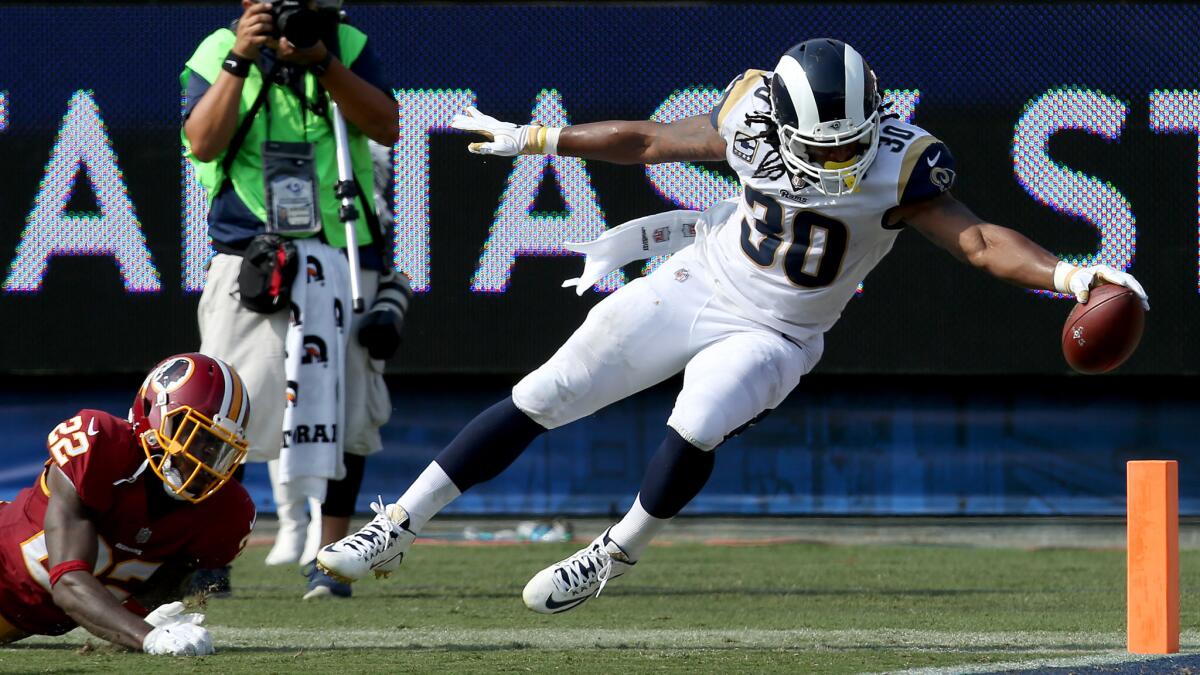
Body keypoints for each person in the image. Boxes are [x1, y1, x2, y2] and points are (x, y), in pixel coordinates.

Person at [317, 38, 1149, 613]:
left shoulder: (902, 160)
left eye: (849, 146)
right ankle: (399, 525)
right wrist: (540, 137)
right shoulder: (750, 113)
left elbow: (976, 241)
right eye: (820, 148)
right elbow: (647, 140)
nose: (837, 164)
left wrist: (1072, 274)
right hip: (702, 278)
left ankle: (617, 550)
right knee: (547, 389)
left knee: (701, 414)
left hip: (780, 331)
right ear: (780, 121)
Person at [180, 0, 402, 600]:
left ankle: (331, 561)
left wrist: (323, 61)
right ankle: (211, 557)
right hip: (248, 255)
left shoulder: (346, 44)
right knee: (220, 409)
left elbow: (386, 126)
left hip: (339, 248)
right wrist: (239, 57)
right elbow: (201, 143)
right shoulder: (214, 49)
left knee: (348, 409)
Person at [0, 353, 254, 654]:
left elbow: (166, 581)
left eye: (217, 447)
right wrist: (148, 637)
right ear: (153, 414)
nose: (204, 458)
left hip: (19, 619)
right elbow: (68, 583)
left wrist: (146, 618)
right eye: (193, 434)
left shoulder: (223, 512)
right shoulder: (101, 448)